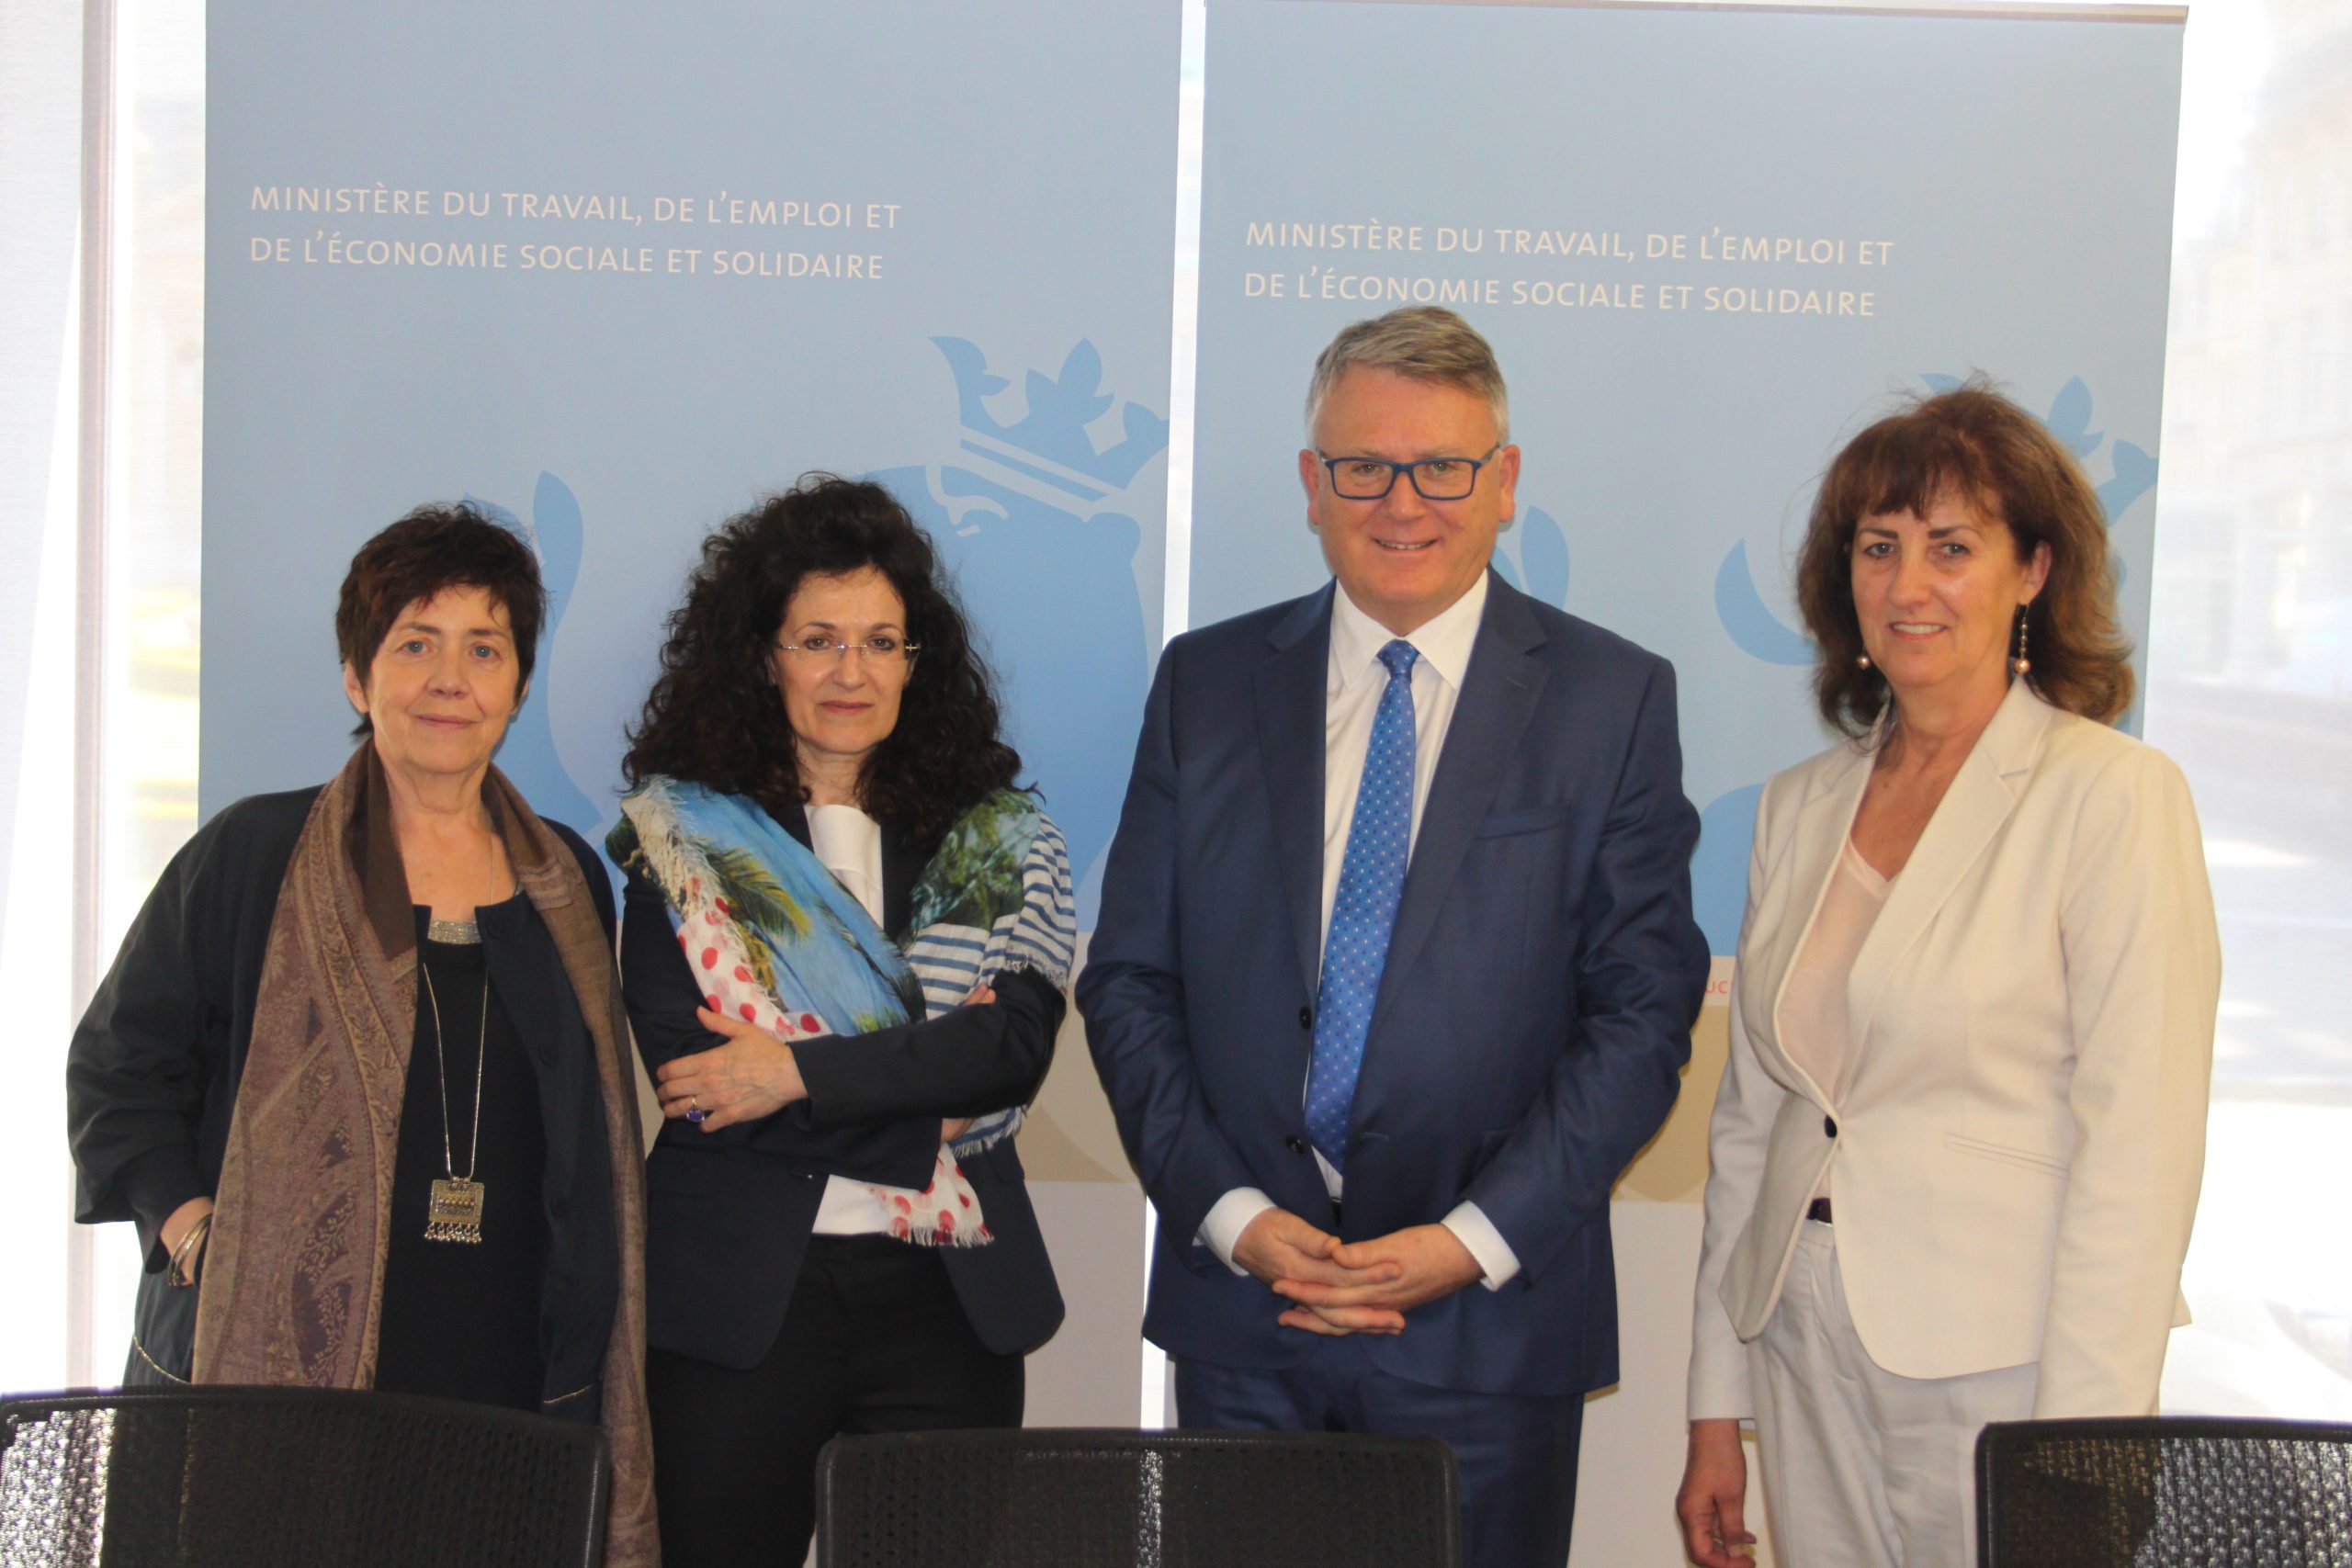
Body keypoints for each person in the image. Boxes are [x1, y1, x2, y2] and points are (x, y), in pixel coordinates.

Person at [1080, 306, 1710, 1568]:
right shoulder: (1206, 685)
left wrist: (1467, 1243)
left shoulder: (1613, 698)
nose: (1402, 502)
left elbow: (1640, 1013)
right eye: (1364, 466)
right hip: (1247, 1314)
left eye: (1443, 467)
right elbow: (1132, 981)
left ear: (1505, 483)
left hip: (1487, 1331)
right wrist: (1232, 1215)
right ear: (1312, 484)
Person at [1676, 383, 2221, 1568]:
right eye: (1878, 548)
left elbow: (2140, 1151)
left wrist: (2082, 1452)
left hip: (2004, 1363)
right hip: (1799, 1337)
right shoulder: (1798, 806)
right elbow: (1754, 1125)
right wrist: (1714, 1403)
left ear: (2033, 571)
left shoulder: (2112, 797)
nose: (1907, 585)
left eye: (1951, 548)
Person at [65, 504, 657, 1564]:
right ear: (356, 676)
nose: (450, 680)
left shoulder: (567, 881)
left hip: (507, 1388)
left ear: (519, 685)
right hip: (273, 1377)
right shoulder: (254, 853)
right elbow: (119, 1071)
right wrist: (195, 1233)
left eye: (484, 649)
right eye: (415, 645)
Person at [609, 474, 1071, 1568]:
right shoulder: (685, 840)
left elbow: (1008, 1050)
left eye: (880, 642)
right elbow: (699, 1078)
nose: (850, 672)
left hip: (946, 1309)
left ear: (918, 660)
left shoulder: (993, 839)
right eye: (818, 640)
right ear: (762, 655)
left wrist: (796, 1072)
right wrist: (922, 1095)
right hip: (737, 1308)